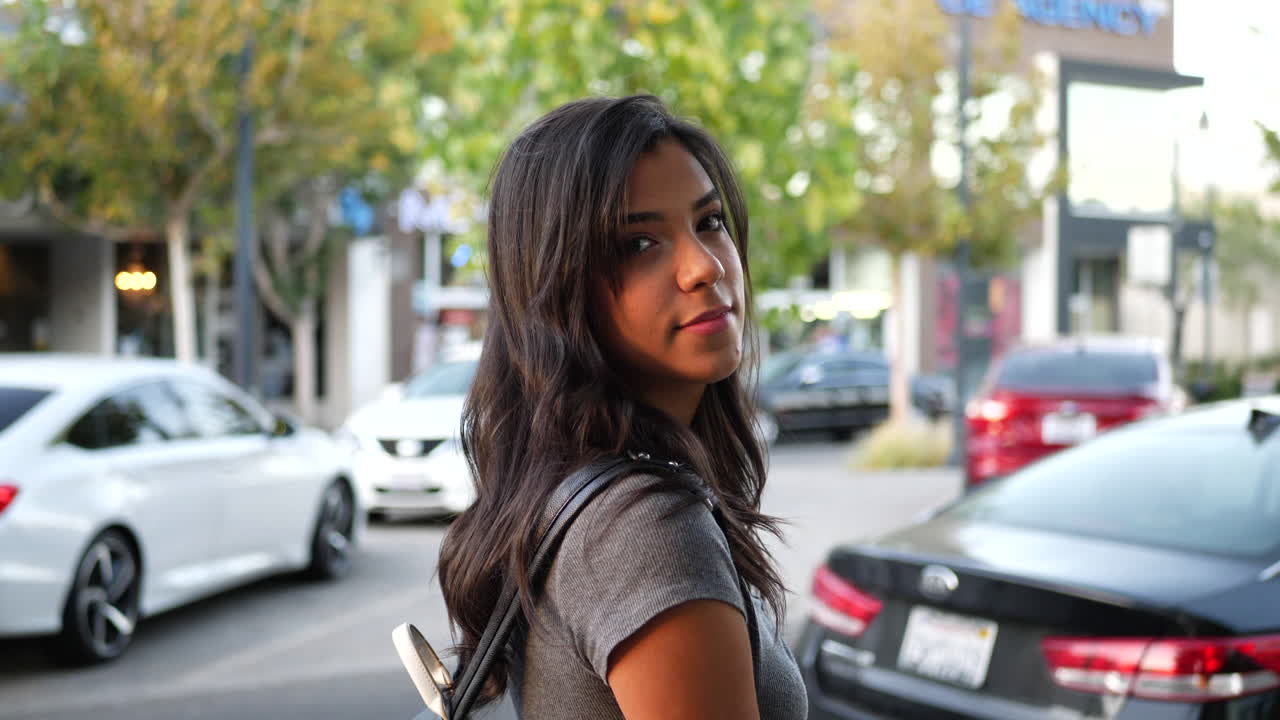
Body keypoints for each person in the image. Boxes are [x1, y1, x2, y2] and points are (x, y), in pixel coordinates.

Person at [437, 95, 807, 719]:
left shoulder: (575, 489)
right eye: (638, 243)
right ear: (559, 290)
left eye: (709, 221)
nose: (704, 266)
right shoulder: (647, 529)